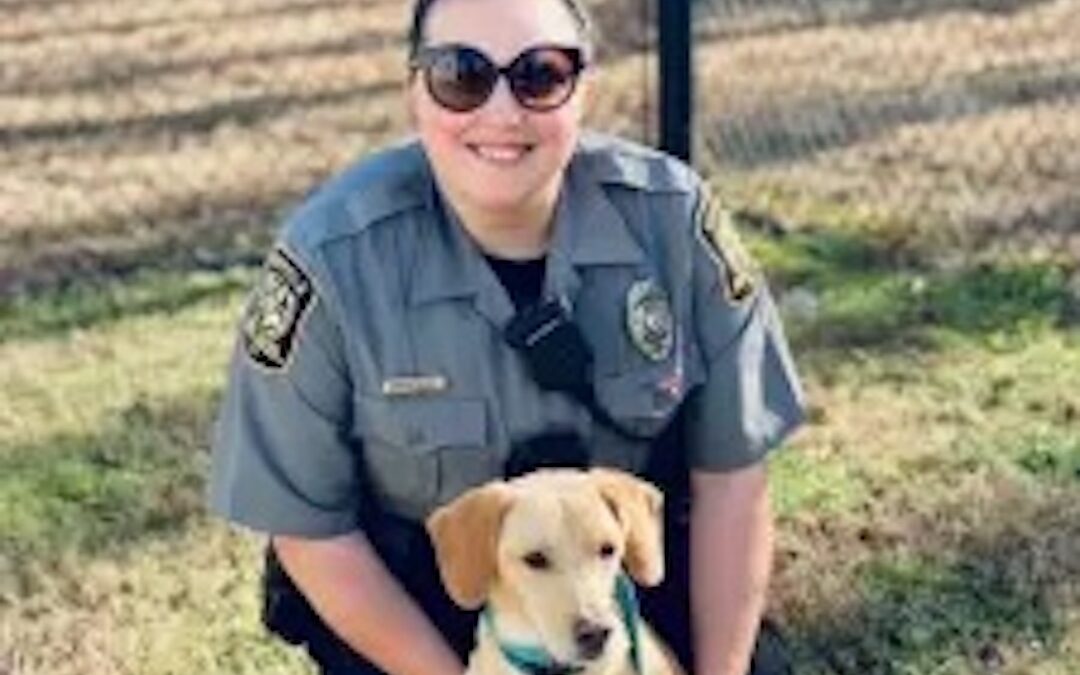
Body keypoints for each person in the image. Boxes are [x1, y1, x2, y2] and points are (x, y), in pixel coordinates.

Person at [208, 0, 806, 673]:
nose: (501, 112)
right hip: (420, 601)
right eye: (460, 76)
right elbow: (311, 531)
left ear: (583, 88)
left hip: (620, 581)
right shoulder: (333, 259)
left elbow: (731, 481)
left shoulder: (673, 221)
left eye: (540, 75)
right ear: (415, 91)